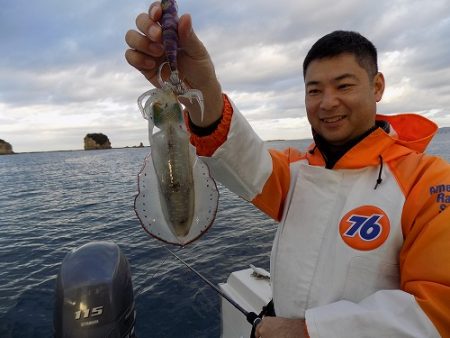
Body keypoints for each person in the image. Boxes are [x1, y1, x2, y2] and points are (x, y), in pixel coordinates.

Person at [125, 2, 450, 337]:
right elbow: (238, 155)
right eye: (314, 90)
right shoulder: (297, 171)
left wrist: (306, 331)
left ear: (377, 86)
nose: (327, 102)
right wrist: (199, 88)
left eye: (344, 85)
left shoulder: (429, 182)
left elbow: (438, 312)